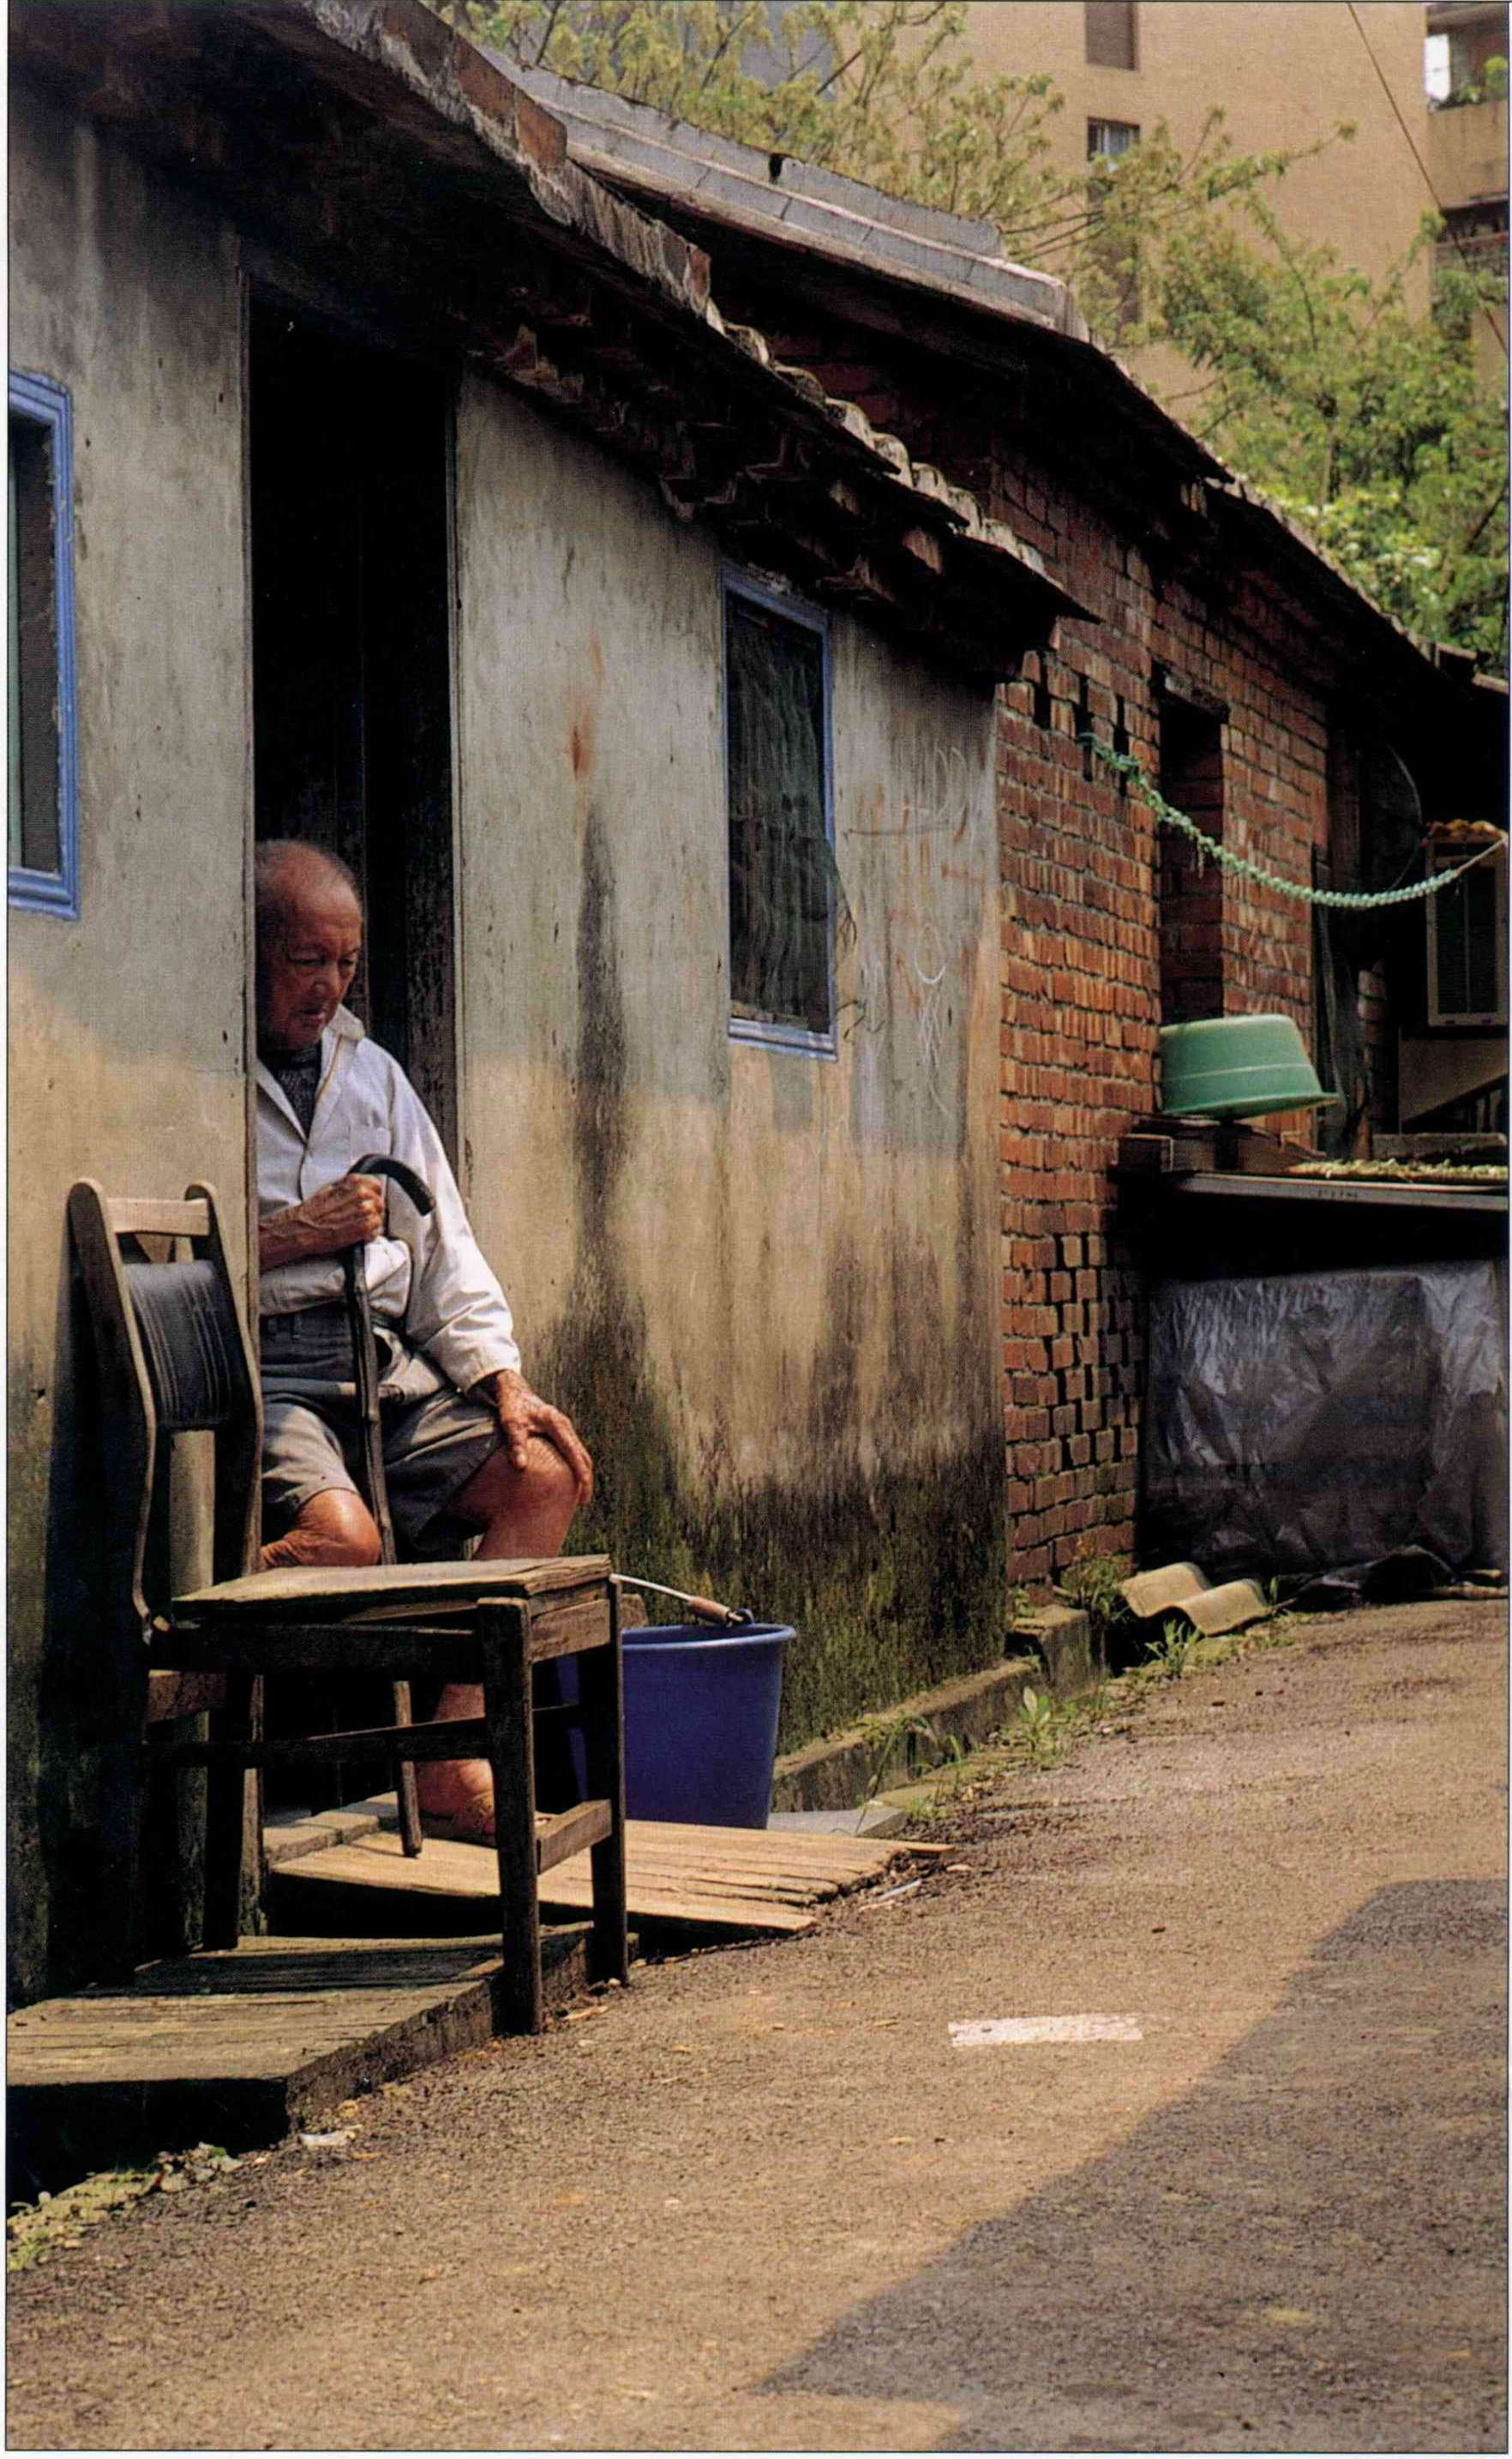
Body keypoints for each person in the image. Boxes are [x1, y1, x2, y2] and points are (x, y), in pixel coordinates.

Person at [255, 838, 592, 1842]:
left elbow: (446, 1248)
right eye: (306, 960)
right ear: (252, 951)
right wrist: (290, 1235)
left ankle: (450, 1758)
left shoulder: (373, 1078)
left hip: (385, 1364)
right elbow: (166, 1262)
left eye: (346, 963)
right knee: (341, 1544)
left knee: (544, 1477)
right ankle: (206, 1627)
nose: (328, 987)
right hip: (271, 1368)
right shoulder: (200, 1071)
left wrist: (501, 1379)